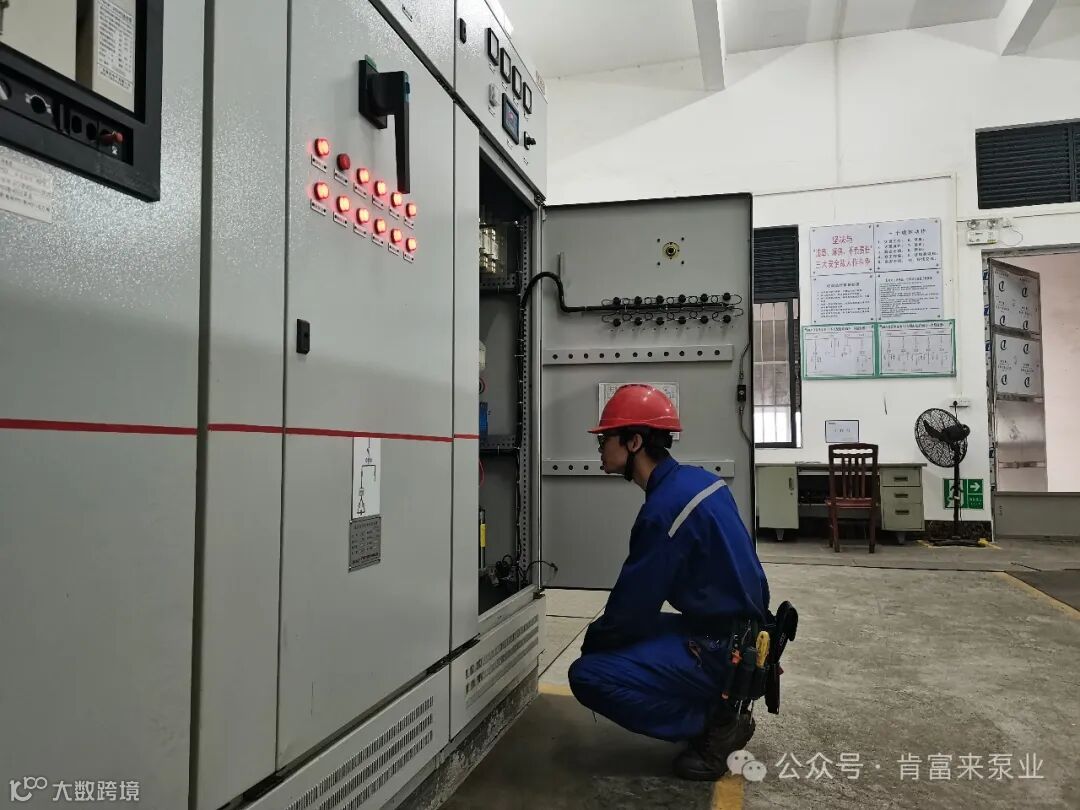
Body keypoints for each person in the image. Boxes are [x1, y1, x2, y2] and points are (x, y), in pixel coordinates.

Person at [567, 383, 771, 780]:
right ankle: (720, 706)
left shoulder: (664, 510)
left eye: (606, 439)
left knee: (588, 673)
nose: (600, 448)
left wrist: (596, 640)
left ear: (634, 442)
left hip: (719, 649)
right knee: (627, 635)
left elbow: (632, 608)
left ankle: (715, 725)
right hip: (743, 635)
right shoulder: (700, 482)